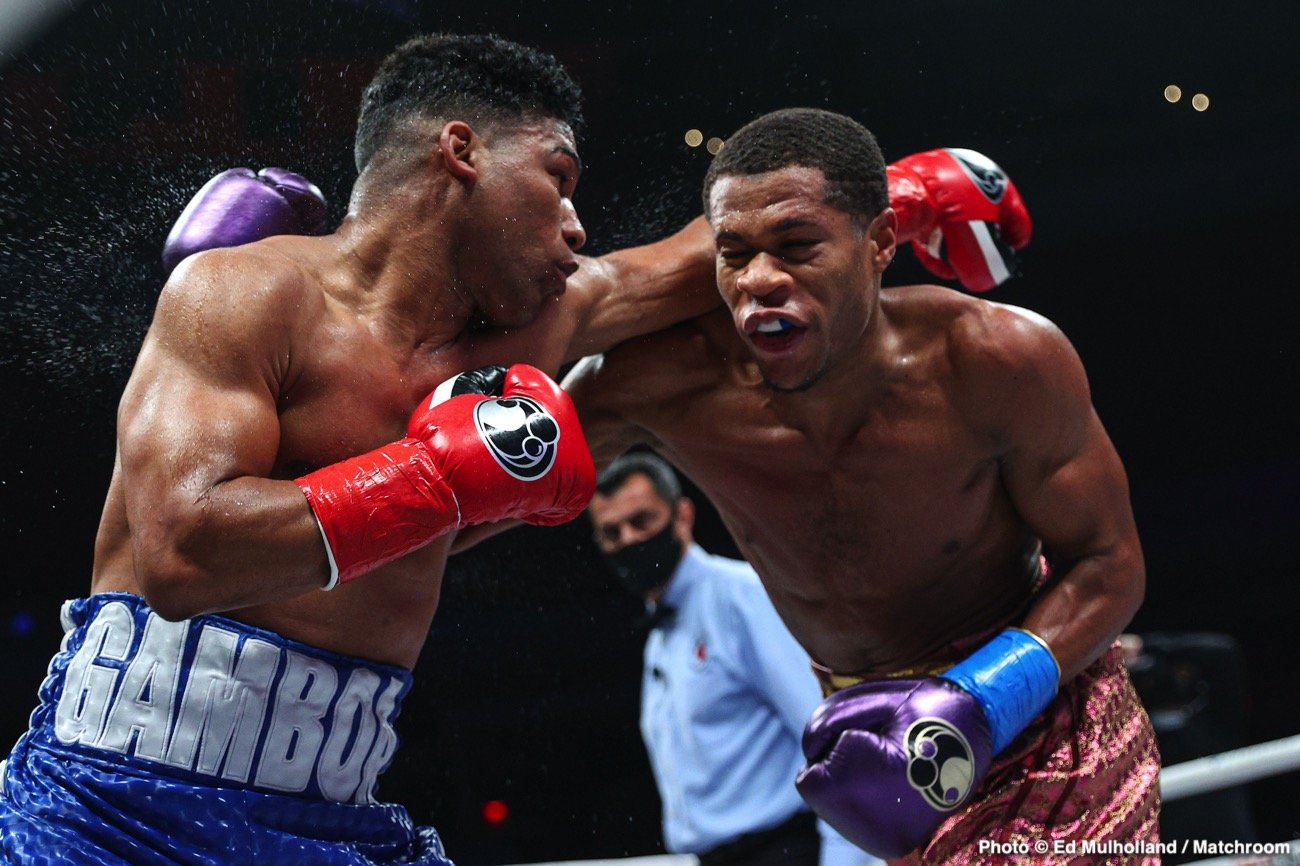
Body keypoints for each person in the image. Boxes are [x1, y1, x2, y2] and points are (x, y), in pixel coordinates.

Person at [0, 32, 1015, 864]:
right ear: (461, 151)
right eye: (557, 178)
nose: (576, 228)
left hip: (333, 809)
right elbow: (181, 554)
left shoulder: (534, 327)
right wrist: (440, 476)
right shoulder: (245, 291)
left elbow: (690, 259)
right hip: (110, 806)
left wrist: (900, 197)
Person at [563, 108, 1160, 863]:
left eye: (797, 246)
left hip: (1050, 728)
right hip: (879, 753)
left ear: (881, 241)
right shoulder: (660, 387)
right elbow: (463, 505)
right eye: (734, 254)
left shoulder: (996, 359)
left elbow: (1112, 564)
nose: (759, 281)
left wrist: (980, 697)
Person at [589, 452, 882, 866]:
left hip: (784, 851)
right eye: (611, 533)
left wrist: (845, 862)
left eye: (641, 521)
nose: (629, 540)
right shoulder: (660, 638)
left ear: (682, 516)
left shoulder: (742, 598)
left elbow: (829, 739)